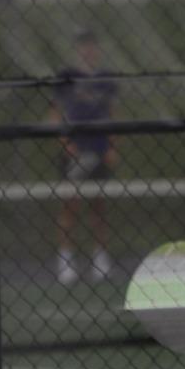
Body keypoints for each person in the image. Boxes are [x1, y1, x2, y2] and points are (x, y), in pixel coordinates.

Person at [50, 28, 120, 285]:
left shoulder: (106, 80)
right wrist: (66, 144)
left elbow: (113, 115)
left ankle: (100, 259)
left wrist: (111, 147)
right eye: (84, 46)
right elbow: (56, 113)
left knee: (98, 206)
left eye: (92, 45)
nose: (88, 50)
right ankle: (65, 260)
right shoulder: (66, 77)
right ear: (77, 49)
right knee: (69, 205)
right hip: (75, 151)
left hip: (99, 149)